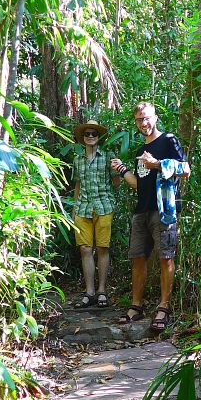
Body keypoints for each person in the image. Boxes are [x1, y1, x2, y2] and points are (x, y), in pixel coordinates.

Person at [111, 101, 190, 331]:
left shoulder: (168, 140)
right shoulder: (139, 151)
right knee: (137, 257)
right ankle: (136, 305)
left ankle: (164, 307)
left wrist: (156, 164)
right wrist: (123, 170)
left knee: (166, 257)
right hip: (141, 211)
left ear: (155, 118)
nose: (144, 123)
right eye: (139, 120)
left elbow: (185, 169)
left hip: (164, 209)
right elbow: (139, 184)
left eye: (147, 118)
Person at [72, 120, 120, 308]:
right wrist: (74, 208)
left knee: (102, 248)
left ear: (99, 137)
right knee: (85, 249)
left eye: (94, 134)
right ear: (83, 137)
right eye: (87, 134)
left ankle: (102, 291)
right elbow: (77, 184)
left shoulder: (108, 157)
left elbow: (116, 183)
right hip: (83, 207)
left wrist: (116, 171)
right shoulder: (77, 159)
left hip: (104, 206)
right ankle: (89, 292)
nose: (90, 136)